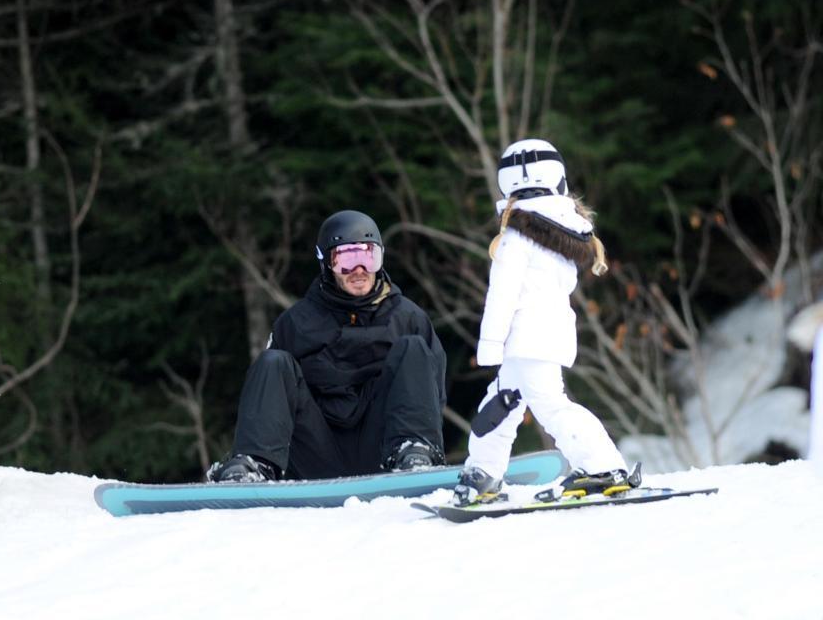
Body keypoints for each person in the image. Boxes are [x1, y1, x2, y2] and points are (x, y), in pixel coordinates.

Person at [453, 139, 637, 506]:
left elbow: (502, 295)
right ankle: (484, 471)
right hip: (545, 335)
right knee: (503, 402)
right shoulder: (562, 231)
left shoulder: (519, 236)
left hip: (526, 338)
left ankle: (603, 466)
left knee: (549, 405)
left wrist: (489, 345)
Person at [207, 210, 446, 482]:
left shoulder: (408, 318)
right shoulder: (295, 323)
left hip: (382, 447)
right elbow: (270, 393)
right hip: (317, 451)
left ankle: (414, 451)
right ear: (327, 264)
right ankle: (255, 464)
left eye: (368, 257)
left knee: (413, 348)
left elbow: (432, 394)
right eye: (346, 259)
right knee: (273, 362)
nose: (359, 270)